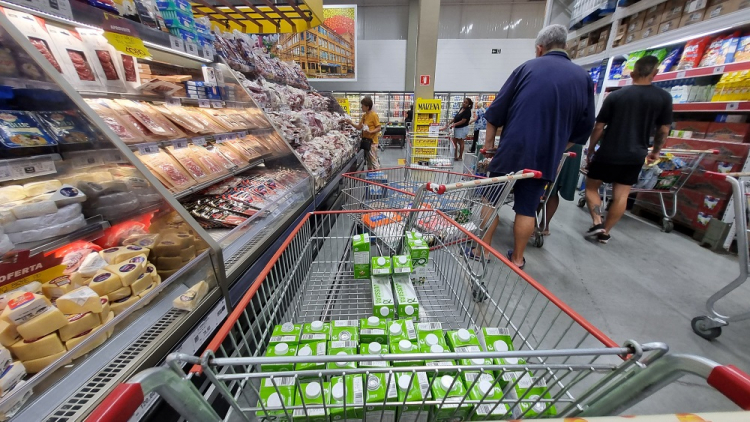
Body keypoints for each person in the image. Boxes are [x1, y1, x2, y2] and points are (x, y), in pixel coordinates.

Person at [468, 24, 595, 269]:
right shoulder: (583, 78)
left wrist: (490, 147)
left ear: (539, 48)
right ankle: (517, 258)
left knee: (491, 201)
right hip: (544, 157)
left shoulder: (526, 68)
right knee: (527, 208)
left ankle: (481, 250)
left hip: (512, 150)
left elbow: (495, 112)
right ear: (565, 46)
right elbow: (585, 127)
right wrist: (558, 146)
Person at [584, 55, 672, 243]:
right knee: (621, 195)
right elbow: (663, 129)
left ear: (632, 73)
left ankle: (597, 220)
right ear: (655, 73)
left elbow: (599, 127)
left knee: (592, 188)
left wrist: (591, 149)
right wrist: (656, 151)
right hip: (635, 155)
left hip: (608, 153)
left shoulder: (616, 96)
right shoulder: (663, 98)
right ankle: (605, 231)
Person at [541, 143, 583, 235]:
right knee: (551, 188)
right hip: (574, 144)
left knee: (542, 184)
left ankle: (531, 220)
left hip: (560, 142)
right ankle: (543, 224)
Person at [346, 96, 382, 170]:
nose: (361, 107)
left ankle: (377, 177)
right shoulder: (364, 116)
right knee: (369, 162)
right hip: (366, 142)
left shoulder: (374, 115)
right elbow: (359, 127)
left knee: (374, 161)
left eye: (362, 106)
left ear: (367, 107)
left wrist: (370, 131)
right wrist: (350, 123)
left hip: (372, 142)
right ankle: (370, 177)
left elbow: (379, 128)